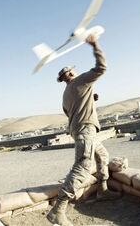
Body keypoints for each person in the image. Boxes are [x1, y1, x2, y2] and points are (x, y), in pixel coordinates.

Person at [47, 35, 120, 226]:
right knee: (82, 166)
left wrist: (90, 99)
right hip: (85, 131)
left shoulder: (66, 94)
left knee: (102, 155)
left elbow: (71, 112)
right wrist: (95, 45)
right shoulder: (81, 80)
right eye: (73, 71)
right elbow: (101, 68)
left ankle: (102, 190)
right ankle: (58, 209)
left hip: (82, 130)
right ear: (71, 74)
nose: (75, 71)